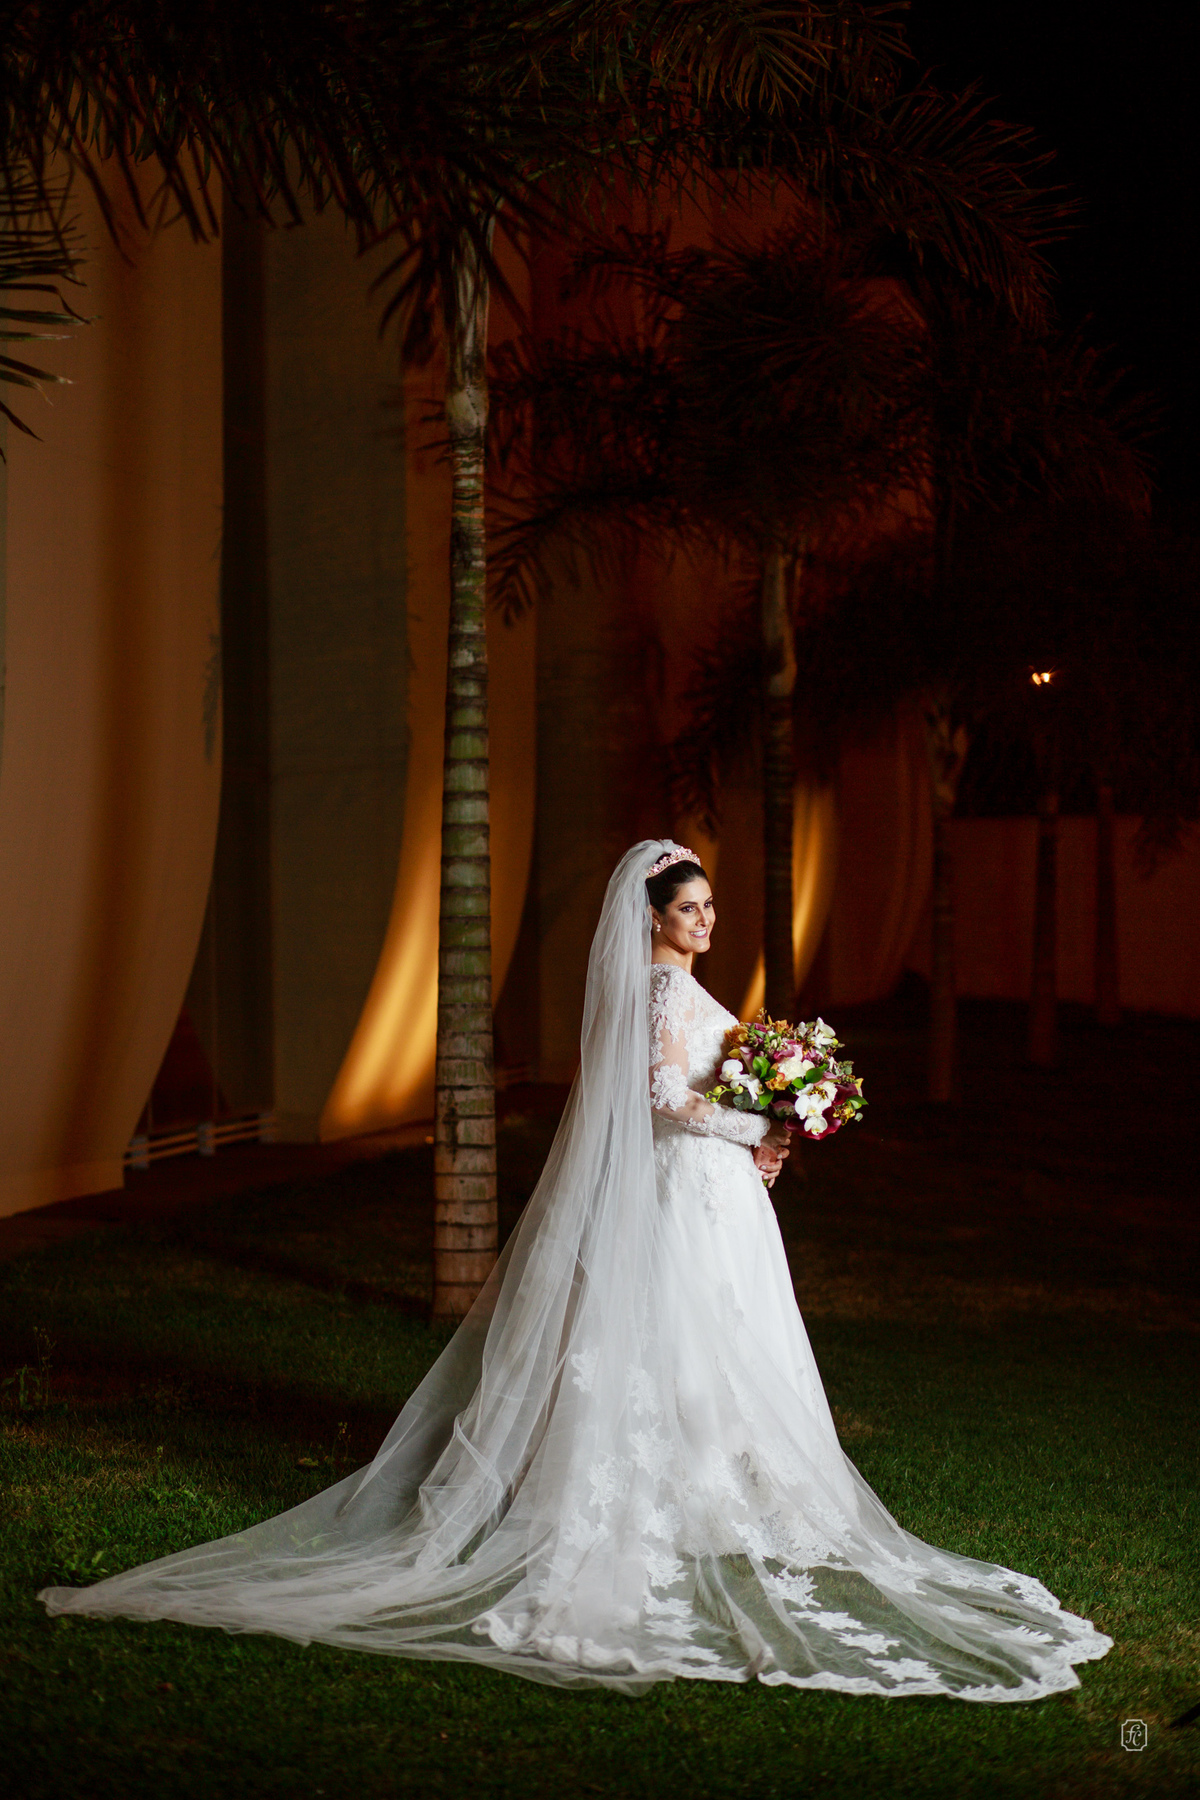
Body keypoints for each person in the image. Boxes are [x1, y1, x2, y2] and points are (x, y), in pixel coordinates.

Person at [40, 840, 1111, 1699]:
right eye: (690, 909)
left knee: (722, 1334)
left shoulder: (686, 985)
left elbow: (705, 1091)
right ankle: (666, 1495)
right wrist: (755, 1127)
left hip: (718, 1191)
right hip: (686, 1188)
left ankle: (721, 1486)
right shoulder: (658, 991)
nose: (706, 921)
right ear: (652, 917)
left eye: (710, 909)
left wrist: (779, 1117)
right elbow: (662, 1099)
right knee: (681, 1329)